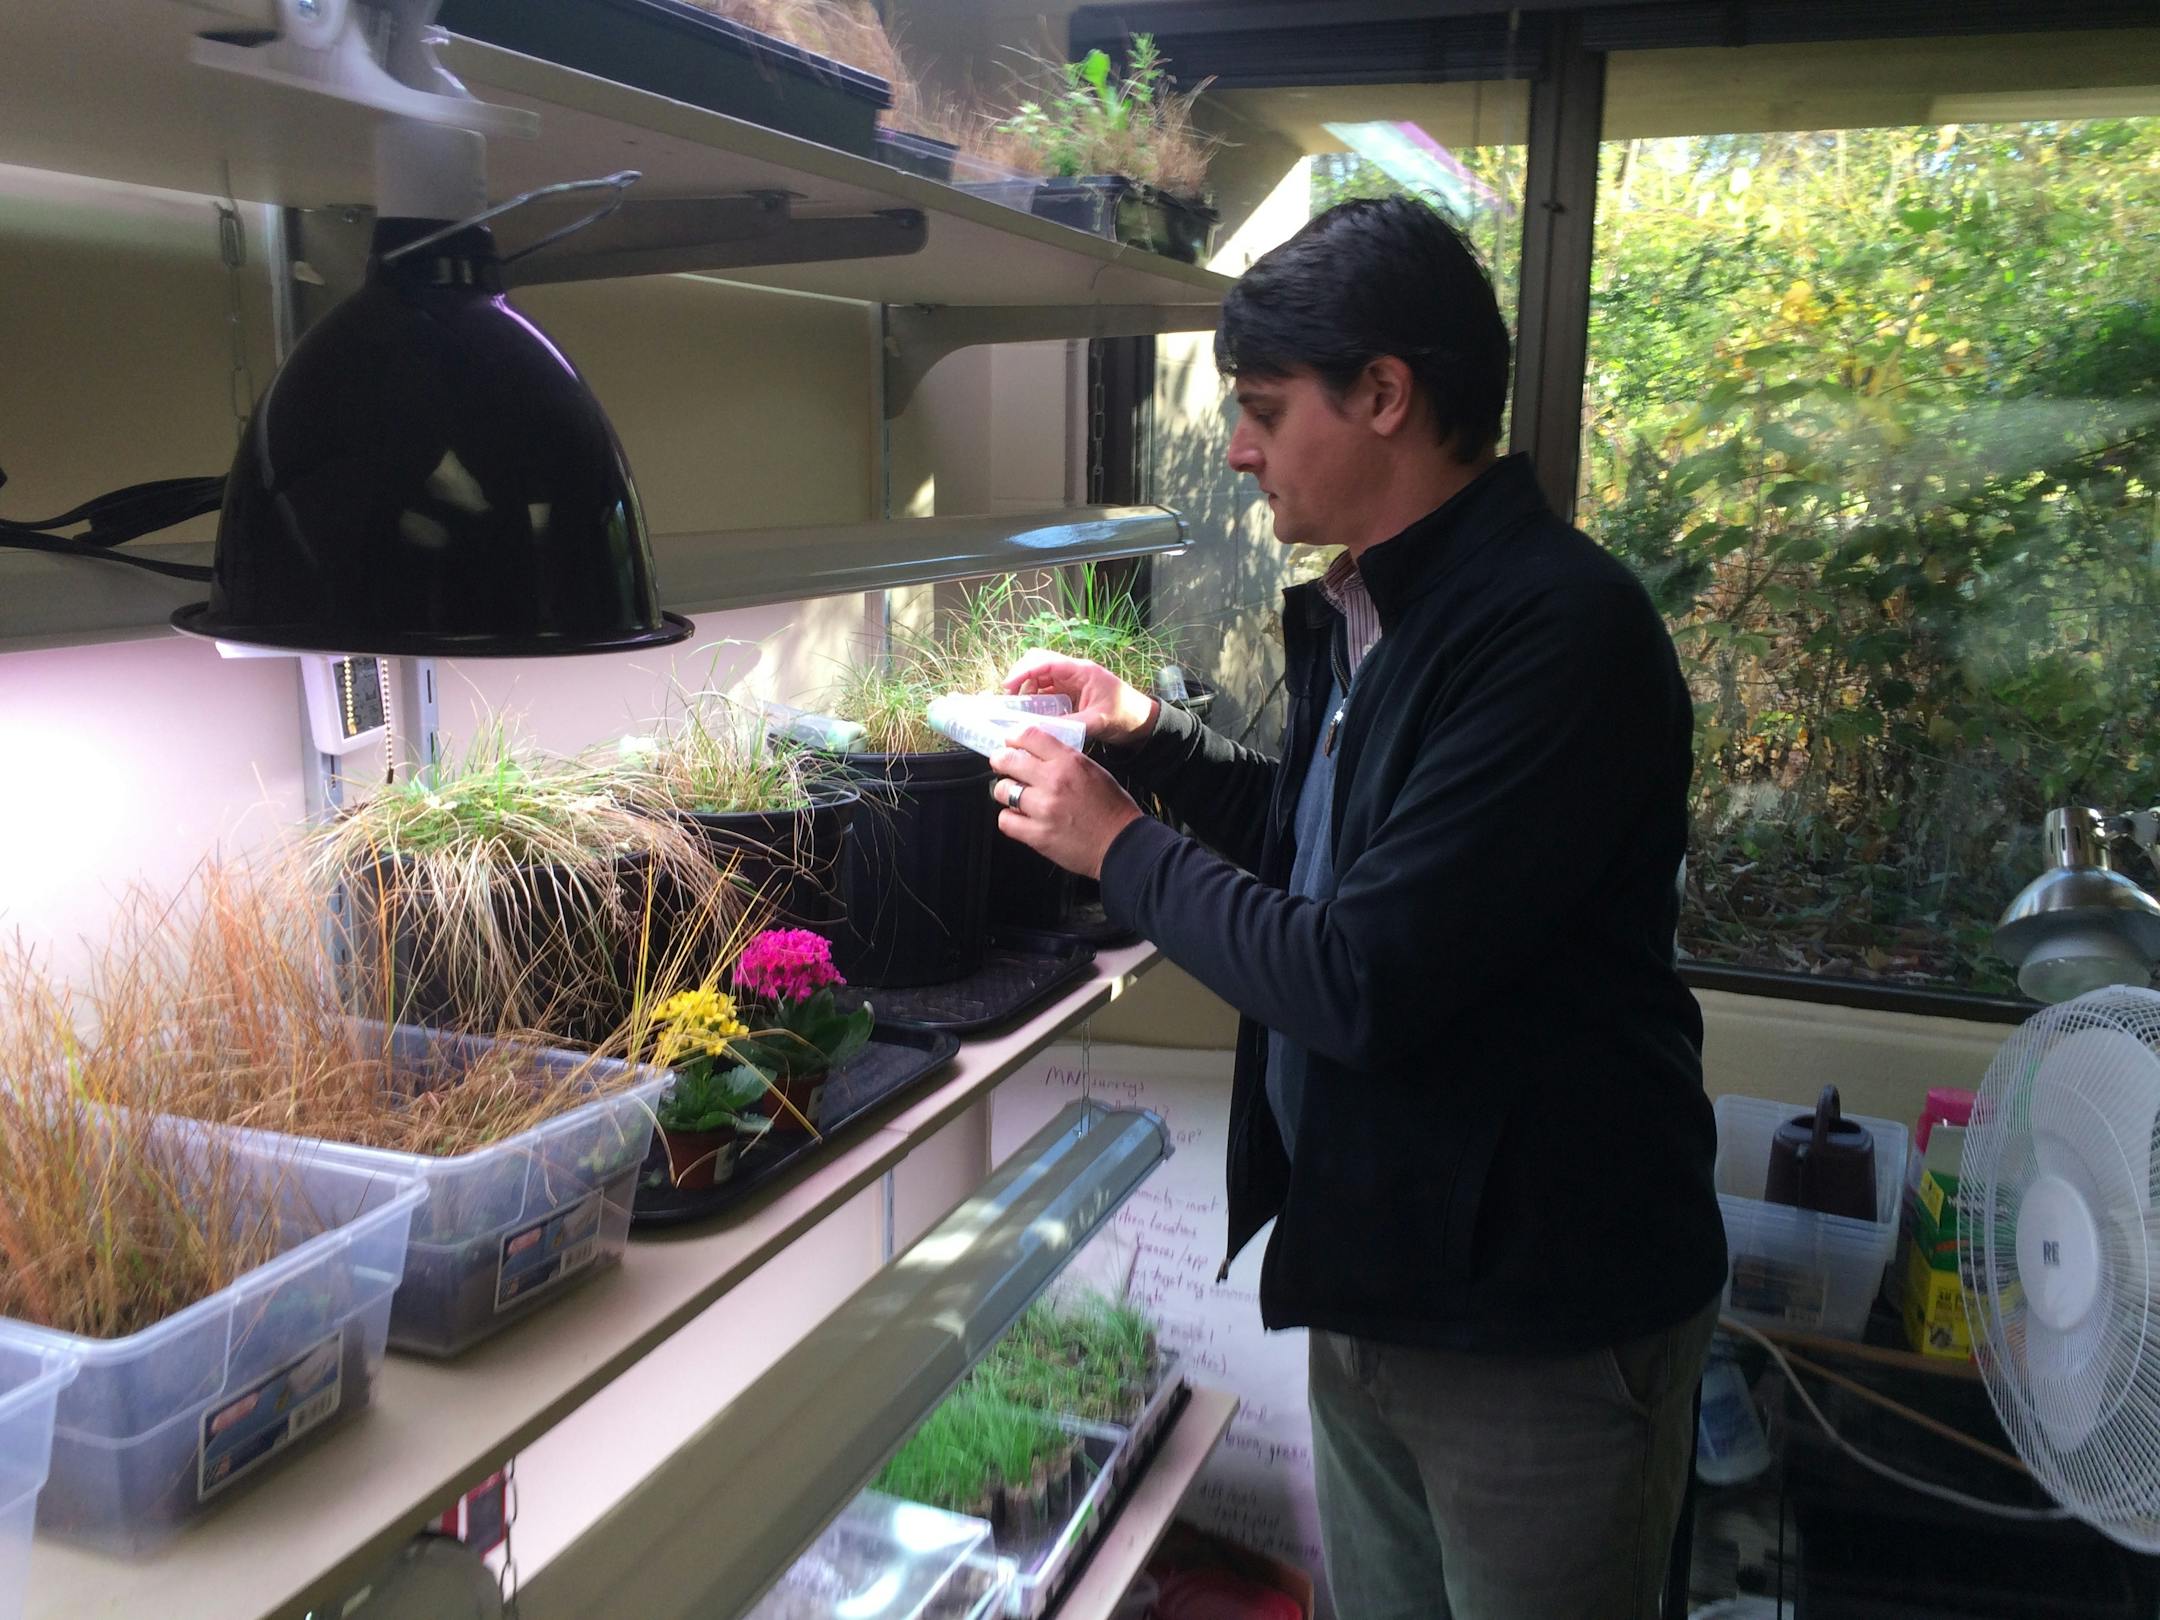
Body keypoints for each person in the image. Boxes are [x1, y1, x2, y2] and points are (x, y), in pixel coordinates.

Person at [986, 196, 1725, 1620]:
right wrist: (1146, 741)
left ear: (1386, 395)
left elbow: (1359, 976)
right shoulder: (1375, 614)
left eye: (1264, 408)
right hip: (1382, 1280)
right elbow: (1319, 851)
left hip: (1540, 1325)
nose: (1240, 446)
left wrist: (1118, 848)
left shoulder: (1558, 634)